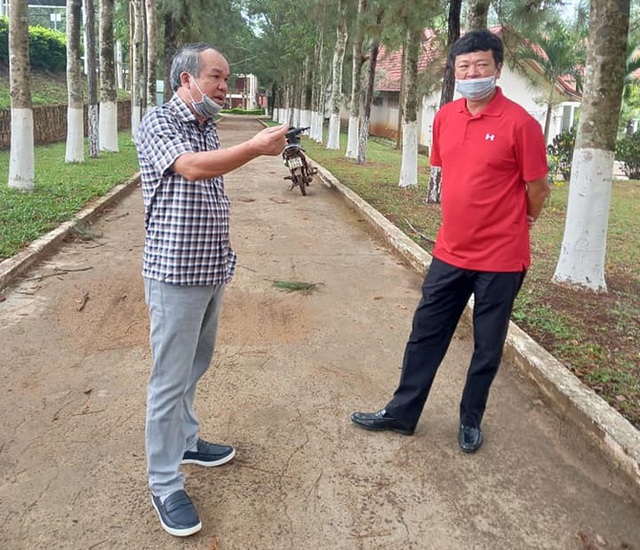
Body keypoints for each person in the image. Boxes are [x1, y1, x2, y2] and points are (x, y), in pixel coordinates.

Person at [350, 29, 550, 453]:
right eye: (464, 66)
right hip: (450, 252)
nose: (472, 72)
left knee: (487, 345)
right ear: (454, 72)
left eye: (481, 65)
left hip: (501, 258)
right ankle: (403, 413)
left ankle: (470, 419)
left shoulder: (521, 124)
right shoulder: (444, 118)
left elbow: (538, 187)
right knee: (425, 333)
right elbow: (448, 171)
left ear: (497, 69)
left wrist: (525, 218)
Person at [135, 43, 288, 537]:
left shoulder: (205, 125)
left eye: (226, 79)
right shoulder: (159, 123)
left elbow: (211, 171)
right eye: (218, 78)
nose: (225, 87)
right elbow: (193, 169)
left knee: (194, 366)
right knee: (168, 379)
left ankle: (186, 440)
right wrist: (254, 148)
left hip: (210, 268)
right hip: (174, 274)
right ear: (187, 80)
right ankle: (164, 482)